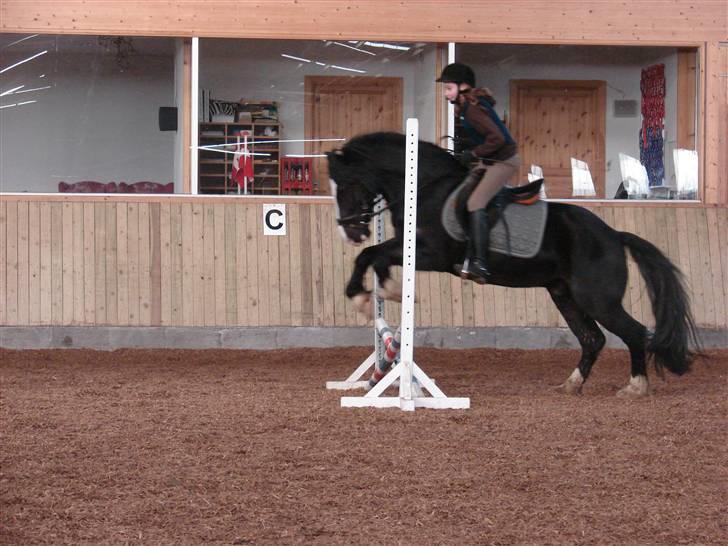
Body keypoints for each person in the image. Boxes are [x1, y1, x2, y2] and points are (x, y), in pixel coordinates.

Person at [437, 62, 521, 284]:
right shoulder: (466, 108)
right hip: (489, 160)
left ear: (463, 87)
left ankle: (481, 263)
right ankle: (468, 253)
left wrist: (472, 153)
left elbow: (498, 139)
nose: (445, 94)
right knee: (461, 196)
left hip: (504, 162)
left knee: (475, 203)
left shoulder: (472, 110)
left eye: (448, 88)